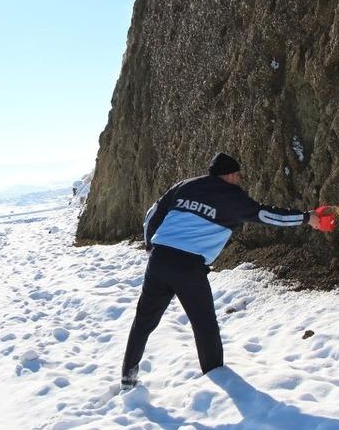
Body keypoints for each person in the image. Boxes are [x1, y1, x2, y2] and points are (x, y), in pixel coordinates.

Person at [120, 153, 327, 389]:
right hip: (189, 266)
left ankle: (128, 379)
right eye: (238, 175)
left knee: (144, 321)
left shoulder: (185, 186)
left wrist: (149, 244)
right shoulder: (233, 198)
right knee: (204, 325)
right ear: (228, 175)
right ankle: (215, 378)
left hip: (159, 259)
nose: (239, 180)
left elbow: (154, 213)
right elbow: (268, 215)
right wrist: (306, 219)